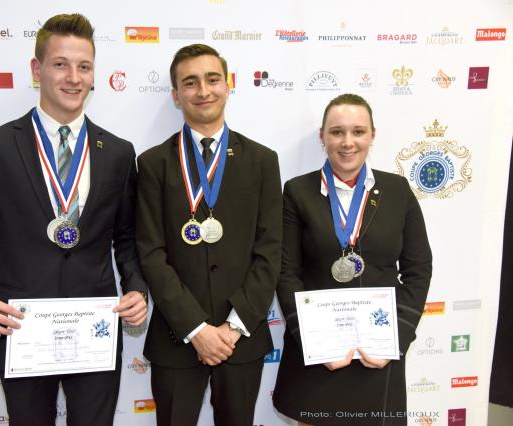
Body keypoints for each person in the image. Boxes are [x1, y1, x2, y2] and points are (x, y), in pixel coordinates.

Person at [0, 13, 147, 426]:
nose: (73, 77)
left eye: (84, 66)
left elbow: (126, 236)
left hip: (95, 330)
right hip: (21, 331)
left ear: (94, 74)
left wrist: (138, 288)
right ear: (37, 70)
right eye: (60, 64)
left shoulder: (119, 152)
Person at [136, 43, 282, 426]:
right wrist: (197, 329)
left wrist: (232, 328)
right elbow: (151, 253)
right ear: (176, 95)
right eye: (190, 82)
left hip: (242, 338)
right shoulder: (153, 163)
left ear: (228, 85)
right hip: (177, 336)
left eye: (212, 79)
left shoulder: (263, 161)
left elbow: (270, 252)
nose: (203, 90)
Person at [272, 93, 432, 425]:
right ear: (322, 137)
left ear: (372, 135)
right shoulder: (297, 191)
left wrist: (396, 340)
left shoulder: (398, 190)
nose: (347, 142)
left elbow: (418, 269)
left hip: (379, 358)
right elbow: (286, 273)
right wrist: (314, 342)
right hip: (318, 359)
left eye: (358, 131)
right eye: (337, 132)